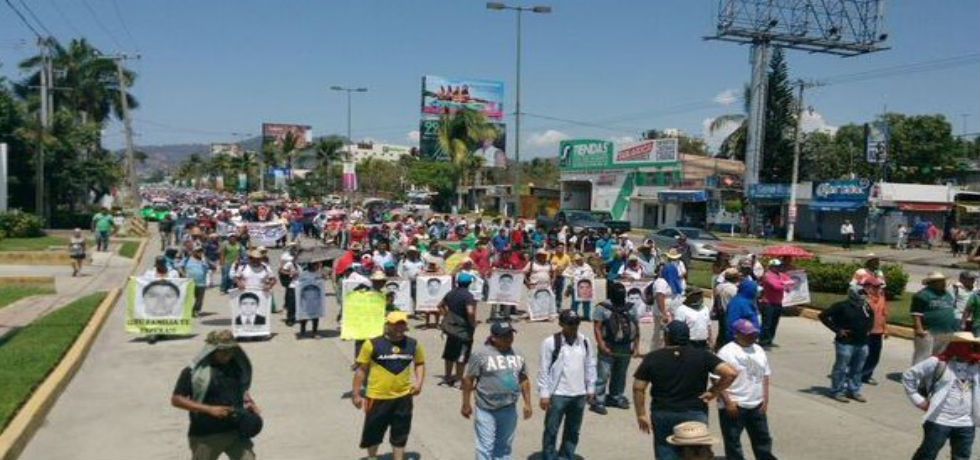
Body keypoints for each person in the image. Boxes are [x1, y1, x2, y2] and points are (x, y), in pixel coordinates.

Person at [633, 321, 738, 460]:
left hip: (664, 413)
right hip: (695, 413)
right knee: (696, 455)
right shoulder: (702, 355)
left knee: (665, 452)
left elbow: (638, 387)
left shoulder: (653, 357)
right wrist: (714, 391)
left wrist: (641, 414)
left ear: (667, 337)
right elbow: (730, 373)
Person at [171, 330, 259, 460]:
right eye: (222, 351)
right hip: (206, 435)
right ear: (211, 350)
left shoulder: (237, 367)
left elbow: (241, 389)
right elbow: (176, 399)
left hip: (236, 430)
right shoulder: (194, 373)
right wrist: (209, 409)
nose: (227, 355)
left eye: (230, 350)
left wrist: (249, 403)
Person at [352, 311, 426, 460]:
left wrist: (418, 383)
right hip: (377, 397)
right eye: (395, 325)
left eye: (402, 325)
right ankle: (372, 457)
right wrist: (356, 394)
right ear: (388, 325)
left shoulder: (413, 344)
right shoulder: (372, 344)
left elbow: (420, 363)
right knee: (373, 431)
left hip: (403, 397)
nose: (399, 328)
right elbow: (361, 370)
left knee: (401, 432)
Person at [902, 331, 980, 460]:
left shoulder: (976, 366)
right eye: (968, 345)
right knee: (927, 454)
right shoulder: (939, 362)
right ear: (956, 346)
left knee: (962, 456)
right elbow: (908, 376)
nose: (973, 349)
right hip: (939, 420)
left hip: (966, 422)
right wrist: (919, 401)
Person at [461, 322, 533, 460]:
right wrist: (466, 403)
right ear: (493, 338)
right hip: (486, 409)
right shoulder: (480, 354)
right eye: (505, 336)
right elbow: (468, 379)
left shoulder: (518, 354)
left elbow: (523, 378)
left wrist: (528, 403)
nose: (509, 338)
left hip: (509, 408)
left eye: (511, 334)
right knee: (485, 448)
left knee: (504, 447)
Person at [537, 310, 596, 460]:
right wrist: (544, 394)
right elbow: (544, 369)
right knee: (551, 429)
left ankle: (566, 456)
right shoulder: (551, 342)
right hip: (558, 394)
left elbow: (590, 365)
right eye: (570, 323)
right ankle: (549, 456)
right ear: (561, 324)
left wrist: (590, 388)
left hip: (579, 394)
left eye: (576, 323)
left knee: (573, 430)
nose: (574, 327)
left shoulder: (584, 341)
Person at [717, 319, 775, 460]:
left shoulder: (759, 349)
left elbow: (765, 376)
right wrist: (728, 402)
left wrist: (765, 400)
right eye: (748, 334)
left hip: (756, 405)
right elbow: (717, 379)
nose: (753, 337)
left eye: (754, 334)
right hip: (735, 405)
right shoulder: (726, 352)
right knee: (733, 442)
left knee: (763, 440)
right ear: (737, 334)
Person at [819, 278, 878, 403]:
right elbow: (823, 316)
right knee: (841, 368)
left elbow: (871, 316)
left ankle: (854, 390)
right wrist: (837, 330)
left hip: (862, 343)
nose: (864, 295)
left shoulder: (865, 306)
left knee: (858, 368)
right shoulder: (842, 306)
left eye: (864, 293)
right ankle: (837, 391)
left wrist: (869, 328)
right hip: (846, 343)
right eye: (861, 293)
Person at [591, 282, 641, 415]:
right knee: (603, 373)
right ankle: (598, 400)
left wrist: (636, 346)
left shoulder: (630, 308)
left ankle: (616, 396)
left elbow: (636, 327)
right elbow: (597, 327)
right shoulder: (602, 307)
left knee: (620, 373)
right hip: (608, 345)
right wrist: (601, 344)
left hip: (625, 346)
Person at [438, 273, 478, 388]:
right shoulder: (468, 296)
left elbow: (440, 305)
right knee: (462, 355)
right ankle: (458, 380)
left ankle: (448, 377)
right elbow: (470, 311)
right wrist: (472, 323)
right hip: (463, 330)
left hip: (451, 328)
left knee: (449, 353)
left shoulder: (451, 293)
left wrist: (447, 316)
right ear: (469, 283)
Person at [912, 272, 958, 365]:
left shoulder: (946, 294)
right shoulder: (922, 295)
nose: (944, 283)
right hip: (928, 331)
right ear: (932, 283)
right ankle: (916, 377)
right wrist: (919, 329)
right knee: (923, 356)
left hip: (946, 331)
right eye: (941, 281)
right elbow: (916, 314)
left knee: (939, 357)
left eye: (944, 281)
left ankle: (932, 377)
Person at [861, 272, 890, 386]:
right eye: (876, 286)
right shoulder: (863, 299)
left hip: (878, 331)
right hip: (866, 332)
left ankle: (867, 375)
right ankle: (856, 375)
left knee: (875, 355)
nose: (879, 289)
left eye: (879, 286)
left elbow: (883, 314)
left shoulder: (881, 297)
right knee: (862, 355)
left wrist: (885, 328)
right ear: (868, 287)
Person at [759, 259, 793, 347]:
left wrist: (784, 283)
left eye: (779, 266)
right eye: (776, 266)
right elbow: (776, 286)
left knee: (774, 323)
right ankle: (763, 341)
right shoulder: (768, 275)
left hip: (778, 302)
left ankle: (769, 340)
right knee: (767, 323)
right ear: (771, 267)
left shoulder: (781, 275)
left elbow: (791, 282)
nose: (778, 268)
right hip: (768, 303)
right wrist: (784, 284)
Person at [713, 268, 740, 350]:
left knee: (721, 331)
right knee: (727, 332)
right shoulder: (733, 289)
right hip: (729, 312)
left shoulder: (719, 286)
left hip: (720, 311)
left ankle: (718, 346)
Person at [181, 247, 213, 317]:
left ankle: (195, 311)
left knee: (199, 299)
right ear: (194, 252)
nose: (200, 253)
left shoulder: (204, 260)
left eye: (201, 251)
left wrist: (205, 261)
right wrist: (183, 274)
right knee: (189, 298)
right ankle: (189, 311)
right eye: (198, 251)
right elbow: (180, 266)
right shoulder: (187, 259)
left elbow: (210, 267)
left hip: (201, 282)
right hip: (190, 282)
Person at [563, 254, 595, 319]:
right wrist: (571, 276)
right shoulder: (572, 266)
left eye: (579, 259)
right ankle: (573, 315)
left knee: (586, 303)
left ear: (582, 259)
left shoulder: (587, 266)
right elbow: (564, 273)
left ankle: (586, 316)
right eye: (576, 260)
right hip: (575, 286)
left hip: (586, 286)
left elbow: (592, 276)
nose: (578, 261)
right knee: (575, 302)